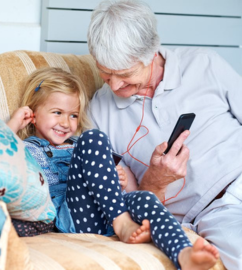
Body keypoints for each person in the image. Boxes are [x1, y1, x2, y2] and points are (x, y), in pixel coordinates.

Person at [7, 67, 219, 270]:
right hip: (73, 217)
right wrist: (16, 123)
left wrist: (117, 181)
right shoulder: (27, 148)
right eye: (57, 112)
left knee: (144, 198)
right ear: (33, 113)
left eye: (73, 115)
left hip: (105, 213)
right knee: (94, 137)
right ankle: (122, 223)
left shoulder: (76, 144)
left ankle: (184, 255)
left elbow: (120, 187)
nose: (66, 122)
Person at [87, 0, 242, 269]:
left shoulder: (205, 64)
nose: (114, 85)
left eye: (124, 74)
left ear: (152, 52)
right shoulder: (98, 113)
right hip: (216, 214)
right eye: (104, 72)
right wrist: (155, 181)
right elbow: (131, 206)